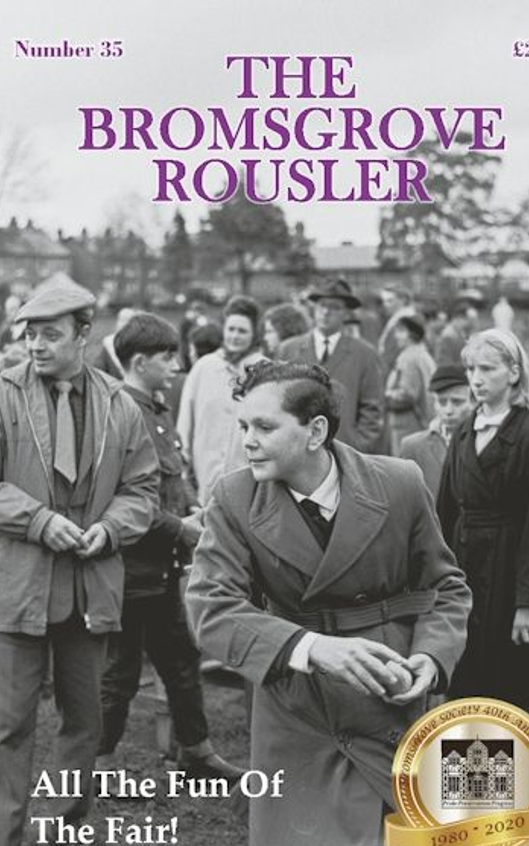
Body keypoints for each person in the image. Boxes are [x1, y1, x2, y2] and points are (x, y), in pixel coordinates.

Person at [187, 360, 471, 846]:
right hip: (296, 711)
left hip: (390, 702)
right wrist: (312, 648)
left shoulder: (399, 483)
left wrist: (430, 659)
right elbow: (210, 609)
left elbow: (446, 587)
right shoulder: (234, 498)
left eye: (264, 427)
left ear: (315, 431)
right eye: (243, 426)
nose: (247, 441)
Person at [0, 287, 159, 846]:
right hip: (17, 587)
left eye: (50, 334)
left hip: (90, 587)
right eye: (29, 333)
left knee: (85, 718)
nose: (35, 345)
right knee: (9, 726)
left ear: (85, 334)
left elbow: (143, 489)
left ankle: (67, 825)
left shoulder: (119, 404)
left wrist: (111, 529)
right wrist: (37, 520)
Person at [97, 313, 244, 783]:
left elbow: (169, 482)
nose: (177, 366)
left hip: (161, 568)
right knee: (119, 674)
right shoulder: (122, 414)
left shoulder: (156, 410)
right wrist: (181, 528)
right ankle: (97, 766)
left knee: (180, 660)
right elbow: (121, 501)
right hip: (128, 571)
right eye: (167, 357)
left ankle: (196, 753)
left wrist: (193, 508)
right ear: (140, 362)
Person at [436, 329, 529, 711]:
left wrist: (528, 604)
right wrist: (438, 583)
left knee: (507, 688)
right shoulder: (464, 431)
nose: (476, 379)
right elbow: (445, 510)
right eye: (471, 369)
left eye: (487, 369)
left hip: (509, 573)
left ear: (513, 373)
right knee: (464, 684)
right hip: (465, 569)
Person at [278, 278, 385, 454]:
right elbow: (278, 401)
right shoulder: (289, 349)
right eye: (322, 305)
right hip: (297, 451)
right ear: (314, 308)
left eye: (335, 307)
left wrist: (358, 446)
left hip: (344, 451)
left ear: (347, 313)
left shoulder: (365, 354)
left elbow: (372, 408)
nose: (326, 312)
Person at [176, 295, 266, 504]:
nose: (235, 336)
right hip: (204, 485)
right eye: (231, 329)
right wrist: (183, 469)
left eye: (242, 331)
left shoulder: (266, 370)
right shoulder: (203, 367)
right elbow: (185, 424)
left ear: (254, 334)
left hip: (250, 485)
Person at [399, 364, 471, 499]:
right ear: (434, 403)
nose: (449, 410)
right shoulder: (413, 446)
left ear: (473, 402)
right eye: (442, 402)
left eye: (457, 402)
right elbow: (405, 499)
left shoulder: (484, 443)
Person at [384, 314, 436, 455]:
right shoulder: (422, 354)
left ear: (412, 334)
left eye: (401, 331)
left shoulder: (408, 358)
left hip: (408, 424)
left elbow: (407, 395)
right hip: (422, 423)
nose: (396, 336)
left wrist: (385, 397)